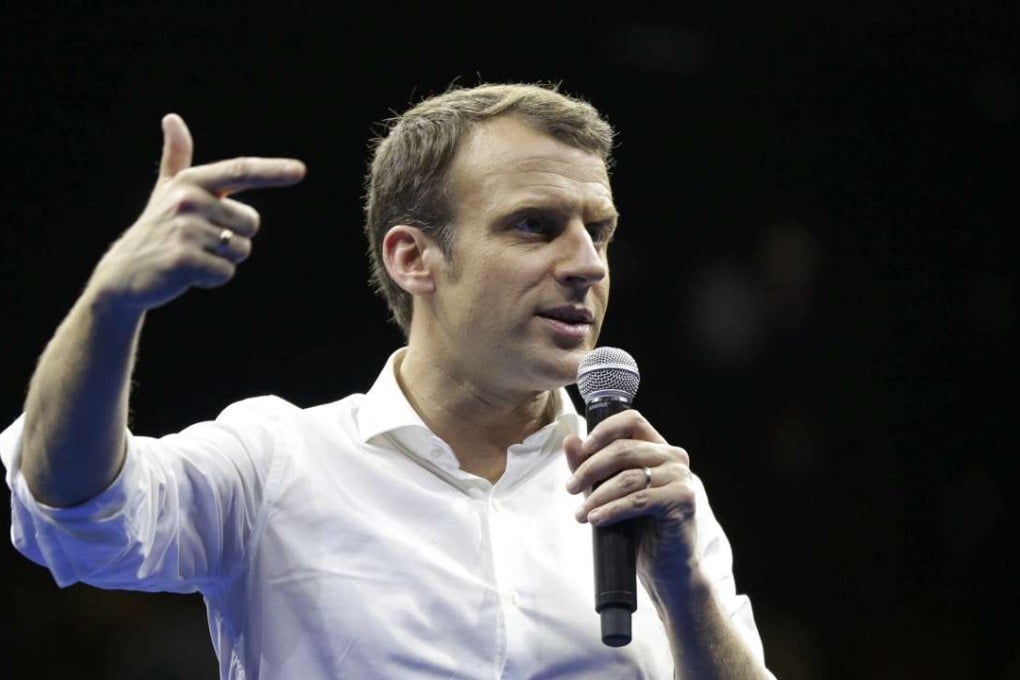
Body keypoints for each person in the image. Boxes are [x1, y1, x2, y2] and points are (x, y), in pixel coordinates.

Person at [1, 82, 776, 679]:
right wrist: (111, 303)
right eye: (535, 225)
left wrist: (686, 593)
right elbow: (73, 510)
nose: (587, 264)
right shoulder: (278, 462)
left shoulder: (651, 495)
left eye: (597, 230)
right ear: (414, 258)